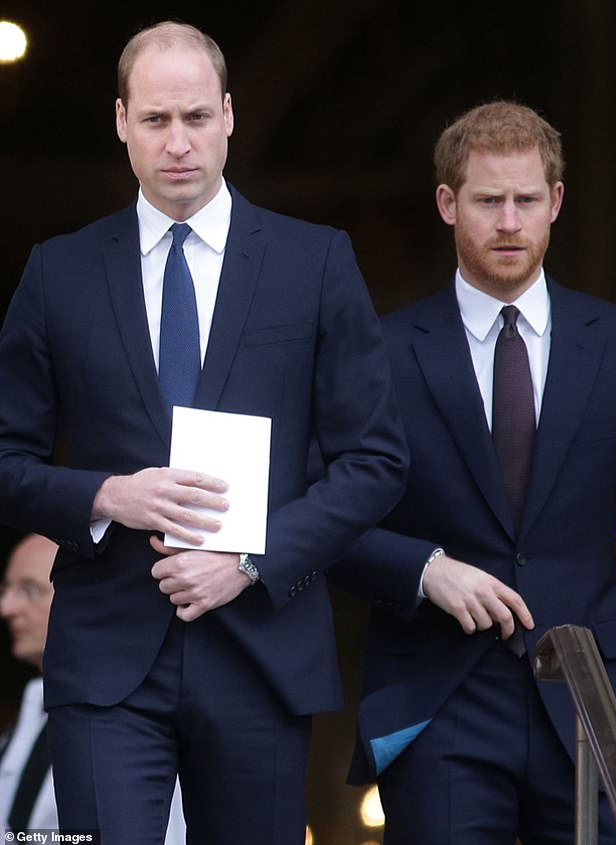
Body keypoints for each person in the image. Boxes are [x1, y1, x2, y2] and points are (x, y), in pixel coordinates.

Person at [0, 19, 407, 845]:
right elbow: (6, 458)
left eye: (194, 117)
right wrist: (107, 492)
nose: (177, 142)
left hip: (260, 650)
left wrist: (250, 559)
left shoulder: (314, 262)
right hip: (109, 658)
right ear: (121, 123)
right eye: (155, 120)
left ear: (228, 115)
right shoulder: (59, 272)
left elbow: (376, 458)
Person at [330, 101, 616, 844]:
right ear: (447, 203)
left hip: (595, 697)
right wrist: (424, 568)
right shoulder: (381, 350)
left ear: (555, 202)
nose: (508, 221)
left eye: (526, 200)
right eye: (487, 200)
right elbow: (325, 517)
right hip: (438, 700)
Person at [0, 534, 187, 842]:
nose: (6, 607)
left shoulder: (142, 716)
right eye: (6, 589)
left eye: (29, 590)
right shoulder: (30, 709)